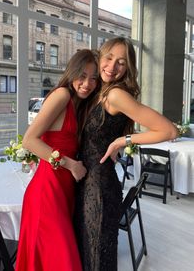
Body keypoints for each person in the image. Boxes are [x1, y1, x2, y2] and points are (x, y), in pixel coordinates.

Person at [74, 37, 178, 271]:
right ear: (100, 57)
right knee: (87, 257)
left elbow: (169, 129)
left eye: (121, 62)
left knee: (97, 261)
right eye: (109, 58)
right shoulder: (96, 91)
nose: (112, 67)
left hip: (99, 190)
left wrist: (123, 140)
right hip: (87, 184)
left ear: (128, 67)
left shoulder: (115, 95)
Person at [15, 49, 100, 271]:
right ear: (72, 72)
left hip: (62, 191)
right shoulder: (61, 95)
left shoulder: (76, 103)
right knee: (63, 261)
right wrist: (71, 164)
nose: (87, 83)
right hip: (47, 193)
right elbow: (29, 140)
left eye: (93, 78)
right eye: (82, 75)